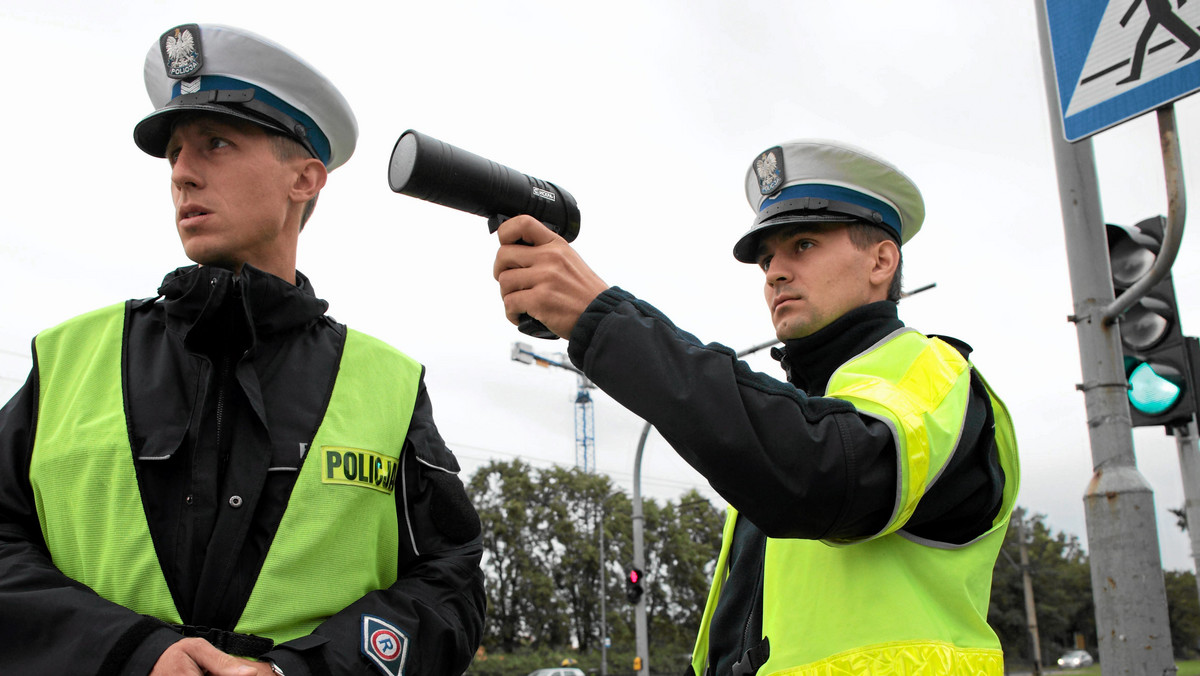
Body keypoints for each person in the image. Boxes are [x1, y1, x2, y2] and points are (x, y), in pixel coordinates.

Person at [0, 23, 485, 676]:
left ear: (305, 179)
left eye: (215, 143)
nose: (182, 173)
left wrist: (301, 670)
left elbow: (449, 584)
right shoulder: (67, 358)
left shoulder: (387, 383)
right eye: (174, 151)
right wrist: (129, 653)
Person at [492, 139, 1019, 675]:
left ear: (882, 260)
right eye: (768, 258)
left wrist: (601, 321)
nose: (775, 273)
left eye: (804, 245)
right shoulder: (800, 411)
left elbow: (820, 473)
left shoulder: (936, 375)